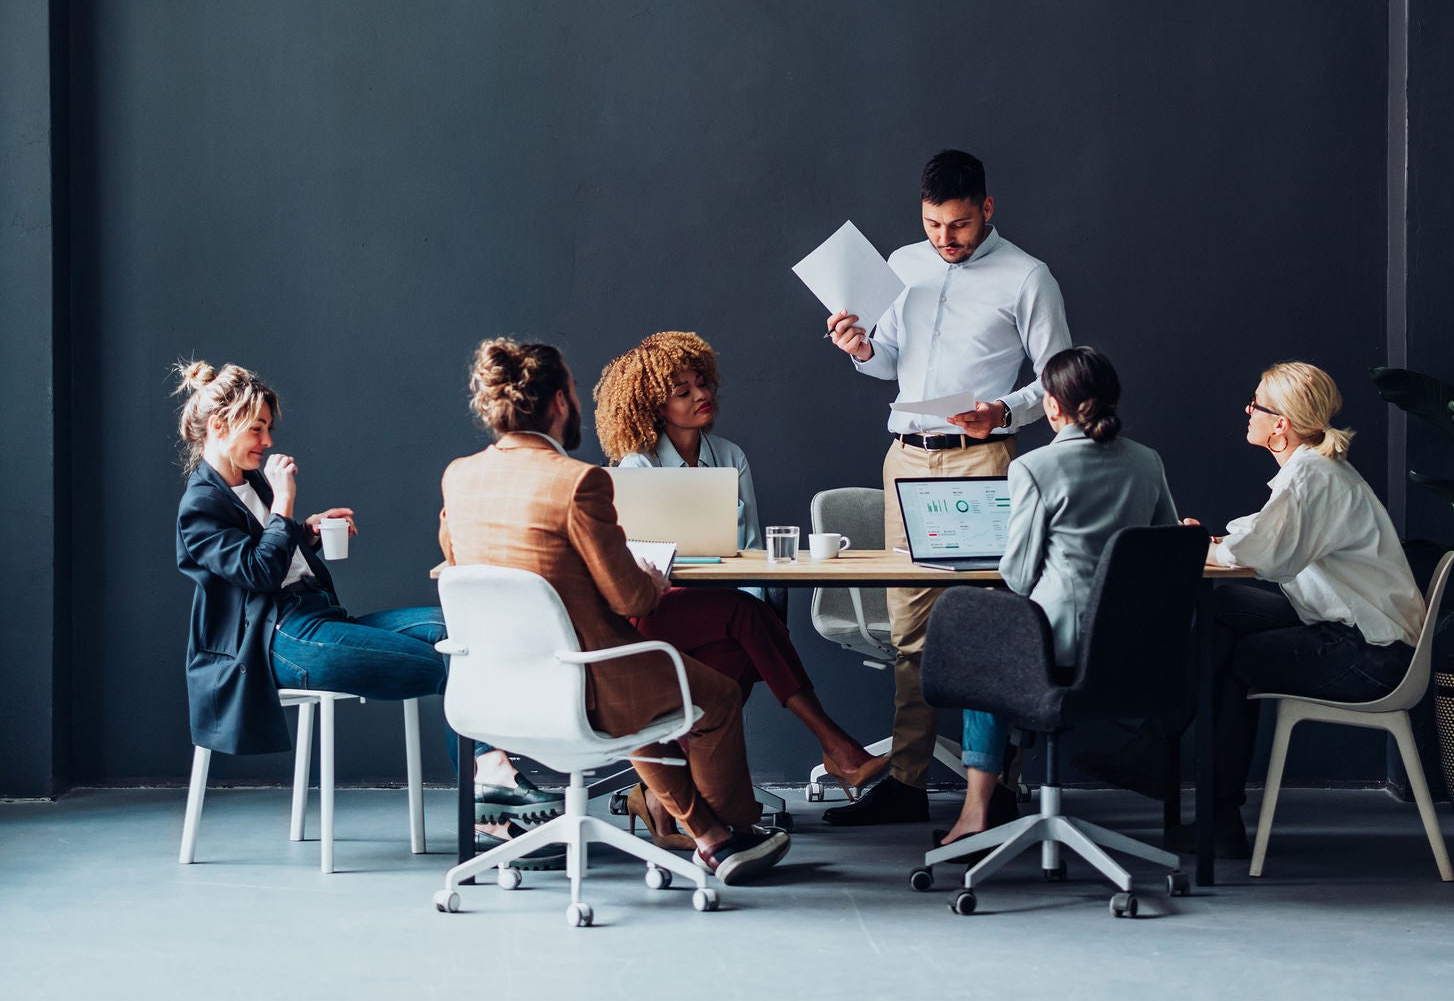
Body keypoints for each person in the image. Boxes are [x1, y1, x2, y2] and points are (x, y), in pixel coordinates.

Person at [436, 336, 792, 884]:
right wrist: (647, 576)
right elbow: (631, 599)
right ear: (559, 402)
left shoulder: (458, 477)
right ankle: (735, 829)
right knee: (712, 696)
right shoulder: (578, 483)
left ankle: (708, 836)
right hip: (587, 682)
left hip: (492, 688)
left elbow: (457, 567)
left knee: (650, 700)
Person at [1078, 361, 1427, 858]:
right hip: (1358, 633)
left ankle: (1181, 781)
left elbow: (1263, 551)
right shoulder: (1315, 472)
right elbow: (1267, 538)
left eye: (1256, 404)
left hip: (1369, 654)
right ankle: (1165, 763)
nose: (1248, 411)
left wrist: (1202, 545)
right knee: (1222, 609)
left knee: (1223, 662)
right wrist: (1216, 543)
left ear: (1280, 423)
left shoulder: (1311, 477)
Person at [822, 149, 1072, 826]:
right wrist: (862, 350)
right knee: (909, 628)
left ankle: (996, 788)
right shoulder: (903, 266)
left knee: (991, 623)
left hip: (982, 458)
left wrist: (1004, 411)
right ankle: (905, 781)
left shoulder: (1027, 277)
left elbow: (1059, 381)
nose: (945, 238)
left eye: (958, 224)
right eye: (934, 224)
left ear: (987, 208)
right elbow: (892, 366)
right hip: (905, 457)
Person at [592, 332, 889, 843]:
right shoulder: (637, 465)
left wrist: (753, 610)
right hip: (659, 609)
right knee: (750, 622)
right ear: (654, 405)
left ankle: (663, 796)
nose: (699, 395)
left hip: (722, 609)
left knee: (747, 636)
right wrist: (749, 614)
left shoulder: (730, 455)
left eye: (700, 383)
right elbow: (640, 559)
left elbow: (751, 550)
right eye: (681, 391)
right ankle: (837, 748)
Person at [936, 347, 1179, 853]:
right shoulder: (1147, 462)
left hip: (1063, 646)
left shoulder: (1035, 467)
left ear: (1052, 406)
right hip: (1137, 649)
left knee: (986, 649)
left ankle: (977, 812)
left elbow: (1020, 576)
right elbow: (1168, 547)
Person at [172, 360, 458, 758]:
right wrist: (285, 502)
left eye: (268, 428)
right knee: (455, 669)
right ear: (219, 425)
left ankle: (492, 788)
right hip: (282, 638)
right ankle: (489, 797)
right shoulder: (200, 504)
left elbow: (269, 550)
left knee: (462, 631)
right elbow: (259, 573)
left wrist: (307, 530)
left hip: (319, 615)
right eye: (257, 428)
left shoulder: (251, 482)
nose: (267, 440)